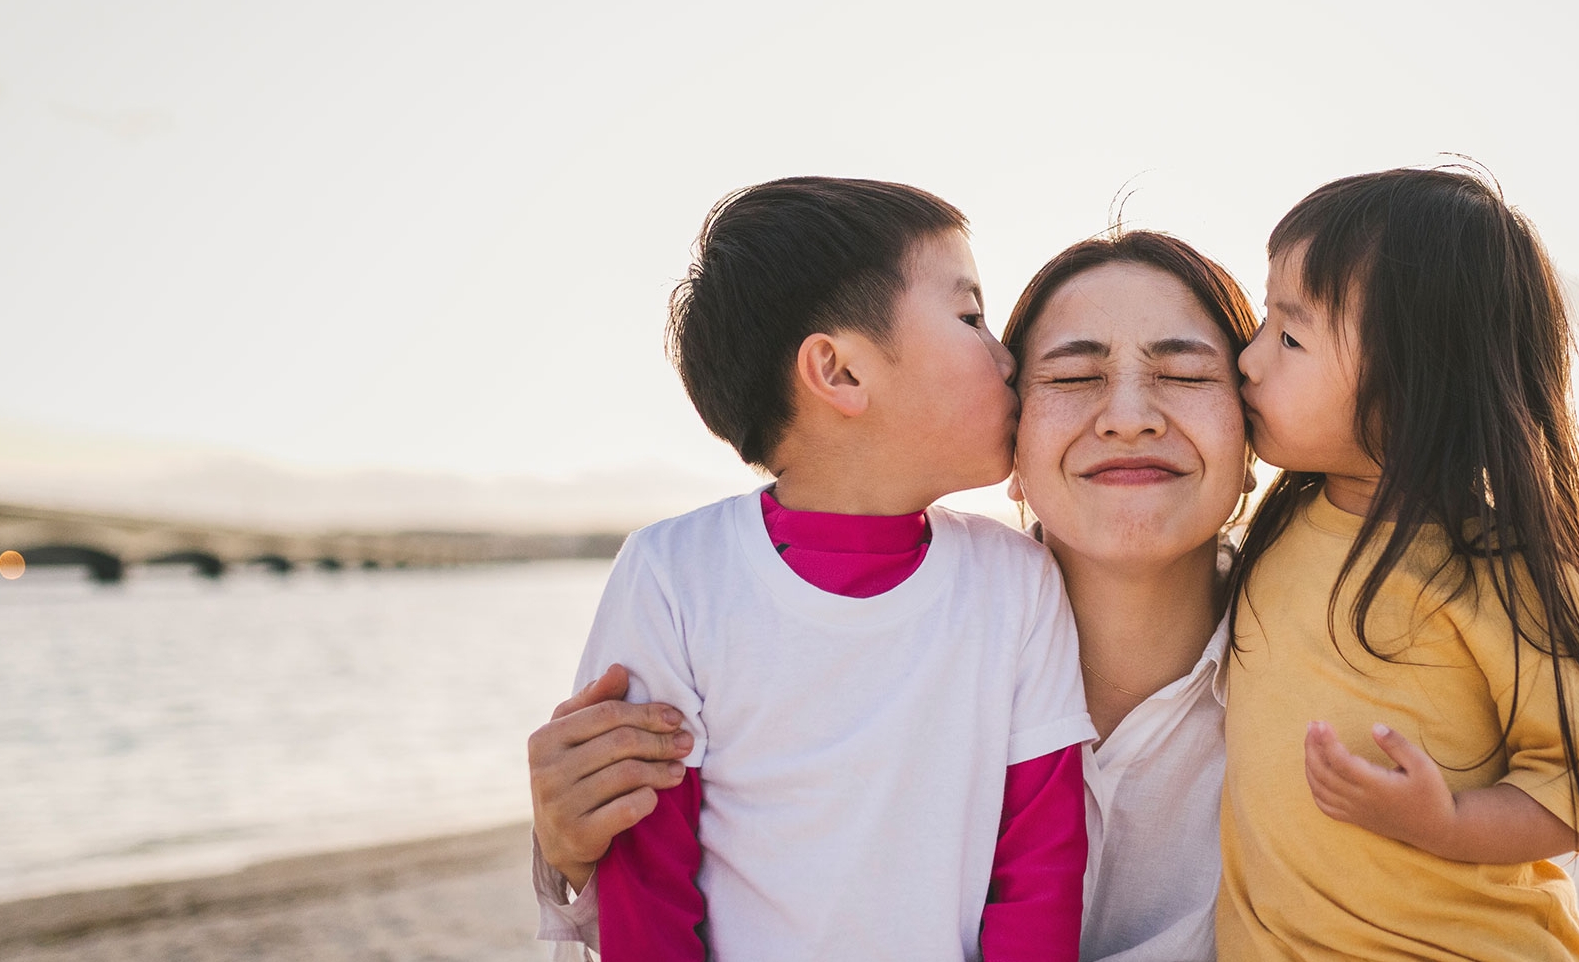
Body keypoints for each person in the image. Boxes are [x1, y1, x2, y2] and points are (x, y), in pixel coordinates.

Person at [530, 225, 1260, 962]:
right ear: (1015, 441)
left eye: (1188, 376)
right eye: (1070, 379)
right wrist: (574, 843)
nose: (1128, 416)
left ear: (1252, 431)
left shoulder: (1330, 675)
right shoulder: (689, 578)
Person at [564, 176, 1097, 961]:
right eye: (971, 316)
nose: (1007, 354)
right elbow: (645, 881)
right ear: (840, 372)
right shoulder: (675, 576)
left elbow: (1040, 869)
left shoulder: (1017, 582)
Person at [1219, 166, 1579, 960]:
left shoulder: (1497, 567)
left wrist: (1443, 821)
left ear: (1418, 377)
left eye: (1288, 335)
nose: (1246, 360)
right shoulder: (1274, 535)